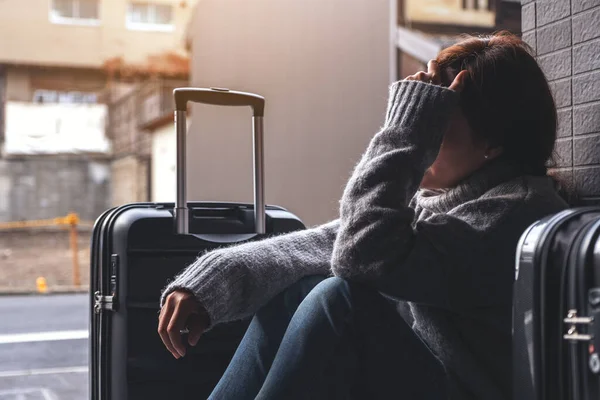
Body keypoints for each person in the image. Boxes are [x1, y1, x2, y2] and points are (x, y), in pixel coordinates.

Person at [158, 32, 568, 399]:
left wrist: (404, 133)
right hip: (429, 376)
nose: (424, 131)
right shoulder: (452, 197)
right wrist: (213, 280)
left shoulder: (514, 213)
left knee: (341, 299)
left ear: (493, 142)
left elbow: (361, 254)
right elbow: (330, 243)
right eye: (423, 118)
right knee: (302, 291)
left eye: (437, 120)